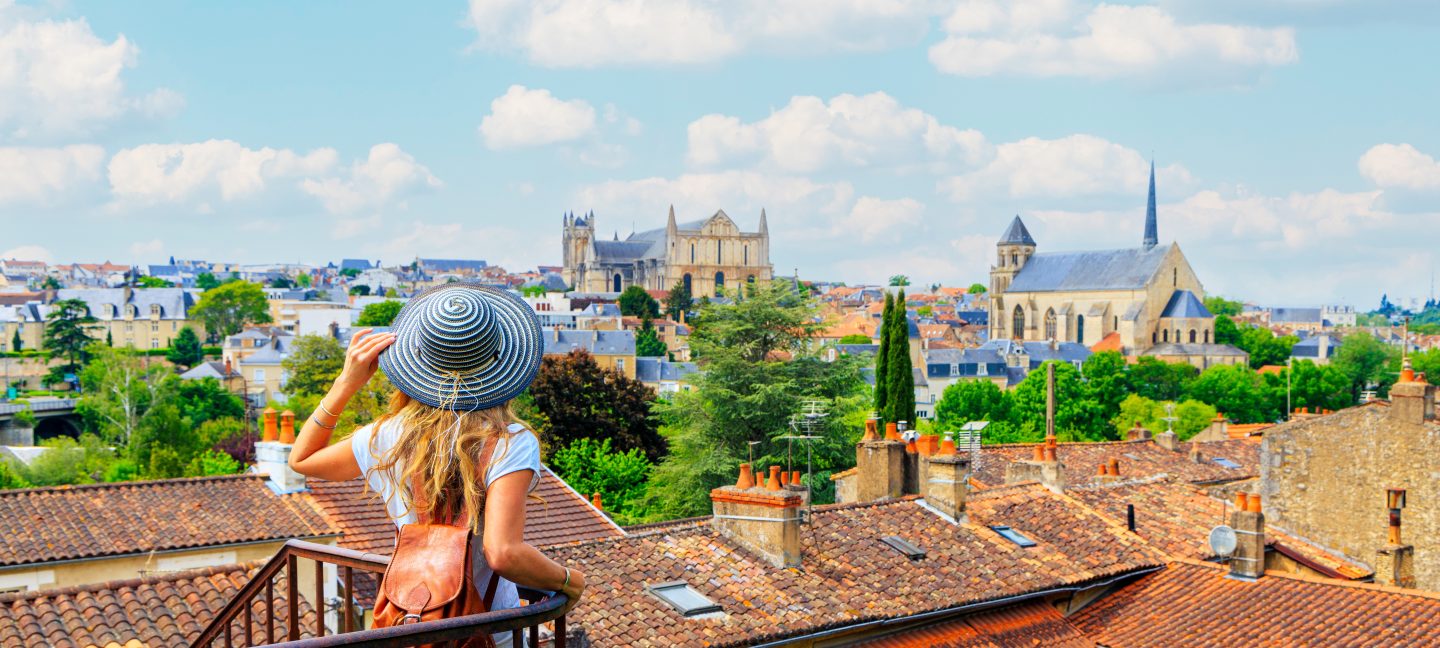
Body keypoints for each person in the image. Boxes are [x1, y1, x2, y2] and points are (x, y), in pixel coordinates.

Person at [288, 284, 586, 646]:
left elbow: (302, 460)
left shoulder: (387, 436)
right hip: (489, 630)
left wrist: (345, 383)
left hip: (413, 621)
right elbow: (503, 553)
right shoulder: (510, 442)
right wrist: (569, 580)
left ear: (420, 362)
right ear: (499, 361)